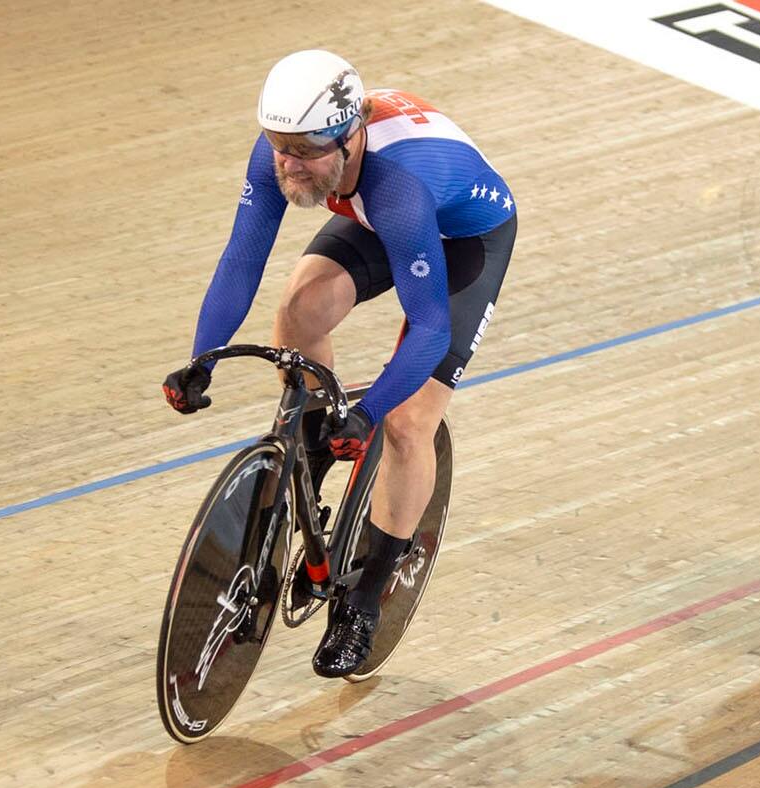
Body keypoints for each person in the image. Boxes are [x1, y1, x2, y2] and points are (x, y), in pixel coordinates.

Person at [162, 50, 518, 677]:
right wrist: (203, 359)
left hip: (462, 239)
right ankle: (317, 439)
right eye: (279, 144)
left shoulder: (398, 187)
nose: (288, 164)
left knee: (409, 426)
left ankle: (365, 601)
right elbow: (242, 261)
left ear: (351, 137)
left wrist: (371, 411)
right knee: (299, 312)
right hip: (377, 215)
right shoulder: (283, 154)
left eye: (304, 149)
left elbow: (431, 328)